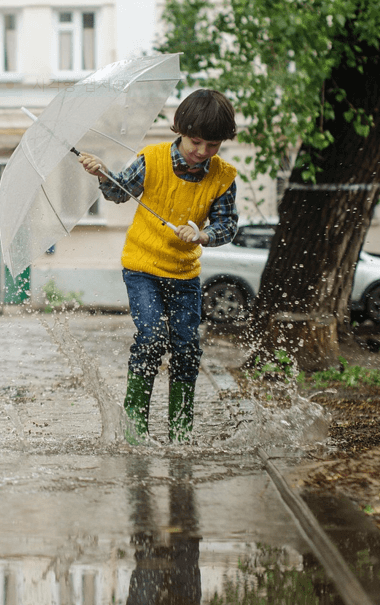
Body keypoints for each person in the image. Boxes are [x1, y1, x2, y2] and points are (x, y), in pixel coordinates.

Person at [79, 89, 239, 444]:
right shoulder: (151, 160)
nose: (202, 151)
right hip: (143, 268)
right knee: (151, 338)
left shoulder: (223, 177)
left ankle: (180, 432)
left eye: (212, 145)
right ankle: (135, 428)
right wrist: (103, 173)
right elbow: (119, 192)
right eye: (196, 141)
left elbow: (227, 225)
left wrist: (203, 234)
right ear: (180, 130)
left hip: (184, 273)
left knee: (186, 347)